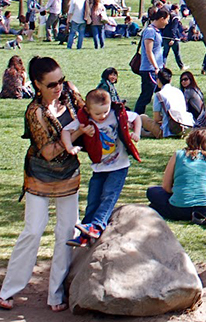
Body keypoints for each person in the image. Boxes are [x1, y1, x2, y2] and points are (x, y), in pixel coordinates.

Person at [0, 57, 86, 311]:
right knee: (34, 230)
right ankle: (9, 290)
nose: (58, 87)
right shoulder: (35, 111)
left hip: (68, 173)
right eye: (51, 84)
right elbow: (48, 151)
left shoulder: (70, 94)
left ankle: (56, 293)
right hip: (40, 173)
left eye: (60, 81)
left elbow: (90, 114)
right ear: (37, 85)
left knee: (67, 231)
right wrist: (78, 133)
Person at [60, 88, 142, 246]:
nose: (103, 116)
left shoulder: (115, 115)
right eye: (98, 114)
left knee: (108, 195)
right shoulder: (84, 120)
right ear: (88, 110)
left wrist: (136, 133)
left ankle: (97, 226)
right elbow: (65, 131)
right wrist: (70, 146)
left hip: (119, 166)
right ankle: (85, 232)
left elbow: (137, 117)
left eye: (106, 111)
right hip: (99, 168)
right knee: (93, 199)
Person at [146, 127, 206, 221]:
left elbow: (166, 187)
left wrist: (180, 191)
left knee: (152, 192)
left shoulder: (178, 155)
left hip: (178, 210)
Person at [141, 68, 195, 139]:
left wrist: (163, 119)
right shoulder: (178, 91)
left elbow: (156, 119)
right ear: (170, 80)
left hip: (167, 131)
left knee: (142, 117)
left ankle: (143, 133)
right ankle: (146, 133)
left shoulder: (159, 95)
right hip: (183, 126)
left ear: (158, 80)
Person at [135, 7, 168, 115]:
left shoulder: (156, 31)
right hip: (149, 69)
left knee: (162, 94)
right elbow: (149, 51)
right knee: (146, 96)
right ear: (162, 18)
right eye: (167, 20)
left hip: (157, 68)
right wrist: (156, 67)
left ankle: (164, 117)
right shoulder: (150, 31)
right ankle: (137, 118)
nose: (167, 23)